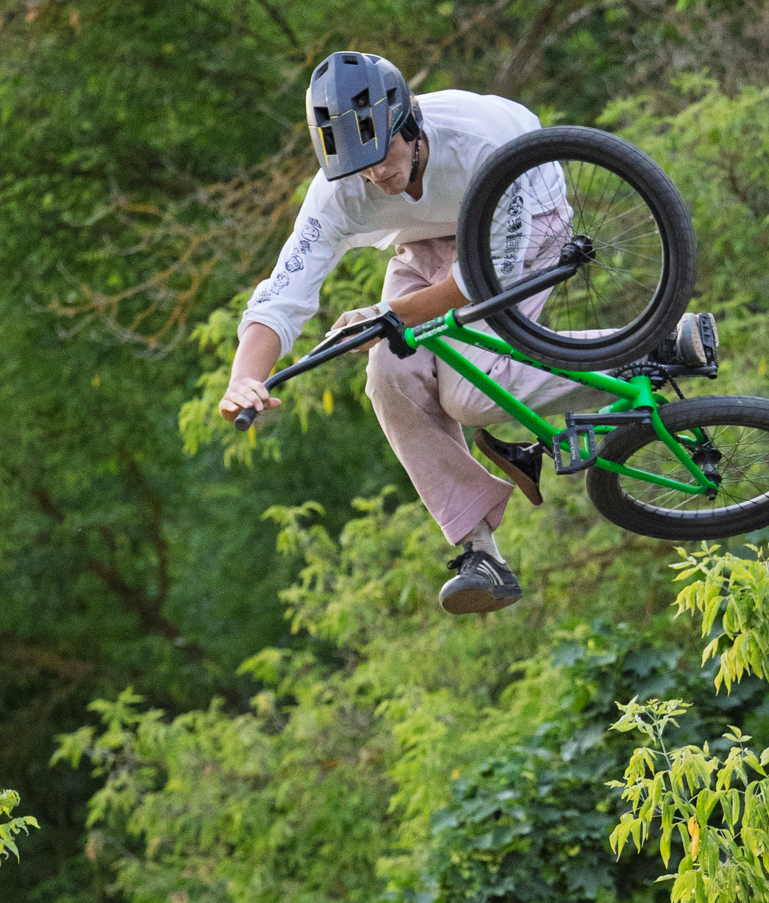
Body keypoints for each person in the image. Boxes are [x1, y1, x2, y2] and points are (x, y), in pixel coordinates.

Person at [219, 51, 597, 618]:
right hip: (427, 248)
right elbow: (283, 293)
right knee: (389, 374)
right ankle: (480, 555)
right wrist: (245, 378)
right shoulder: (339, 192)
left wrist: (388, 313)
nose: (375, 176)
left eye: (381, 156)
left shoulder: (481, 141)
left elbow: (482, 277)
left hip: (523, 220)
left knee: (469, 393)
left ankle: (651, 346)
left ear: (410, 125)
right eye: (357, 167)